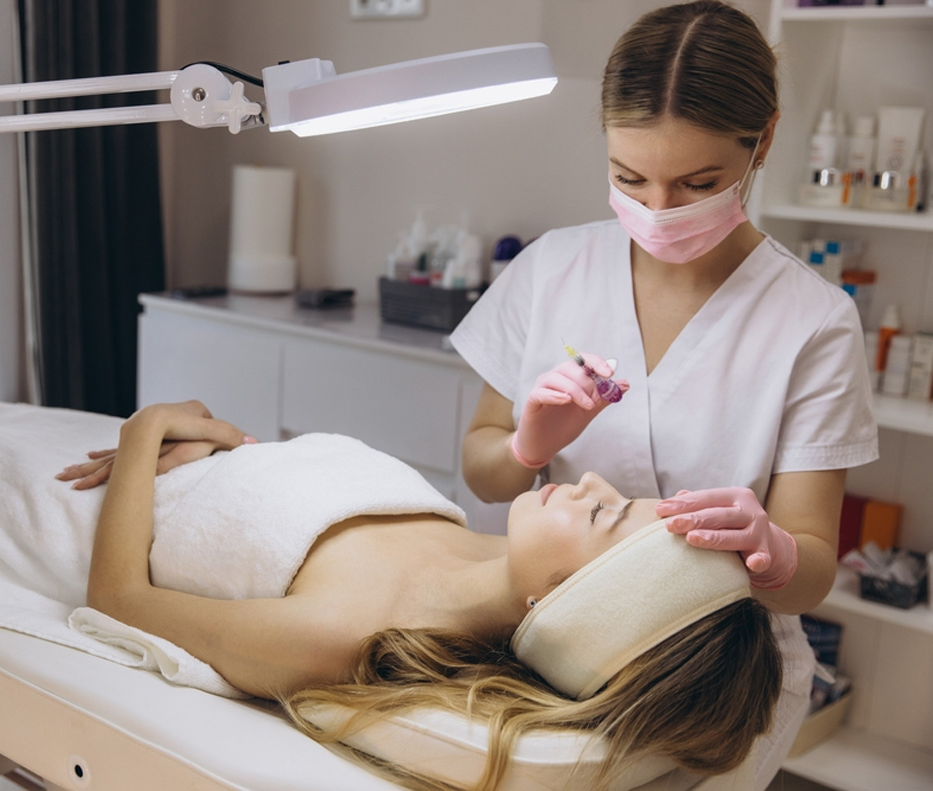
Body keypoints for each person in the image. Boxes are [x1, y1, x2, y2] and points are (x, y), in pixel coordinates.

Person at [449, 3, 877, 785]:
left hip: (716, 682)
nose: (658, 209)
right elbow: (481, 473)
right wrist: (526, 447)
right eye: (629, 178)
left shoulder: (814, 320)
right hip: (555, 644)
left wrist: (774, 552)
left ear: (764, 140)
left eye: (697, 183)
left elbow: (812, 567)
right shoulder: (551, 269)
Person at [60, 399, 781, 791]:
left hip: (81, 500)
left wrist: (145, 427)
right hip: (167, 462)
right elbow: (293, 496)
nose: (590, 481)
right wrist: (220, 448)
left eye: (601, 514)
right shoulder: (492, 554)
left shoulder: (338, 633)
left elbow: (117, 598)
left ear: (564, 602)